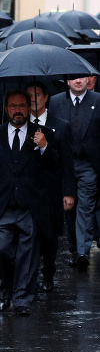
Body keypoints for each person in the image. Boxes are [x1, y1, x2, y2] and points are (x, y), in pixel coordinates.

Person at [0, 91, 59, 315]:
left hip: (31, 206)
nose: (17, 110)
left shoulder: (43, 134)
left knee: (28, 254)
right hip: (3, 205)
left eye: (21, 106)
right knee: (0, 250)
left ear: (28, 108)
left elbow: (55, 167)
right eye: (12, 106)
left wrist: (45, 147)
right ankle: (7, 287)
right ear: (6, 108)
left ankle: (22, 298)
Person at [48, 77, 100, 272]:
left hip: (88, 164)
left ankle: (82, 252)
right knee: (68, 207)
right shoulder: (56, 101)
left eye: (82, 77)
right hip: (63, 163)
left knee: (85, 207)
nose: (78, 81)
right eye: (73, 77)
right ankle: (73, 248)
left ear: (89, 79)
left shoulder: (98, 101)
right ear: (67, 81)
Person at [27, 82, 73, 292]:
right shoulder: (21, 125)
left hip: (51, 190)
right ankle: (32, 276)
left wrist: (69, 193)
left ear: (46, 97)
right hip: (29, 189)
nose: (33, 99)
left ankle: (48, 272)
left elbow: (67, 163)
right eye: (29, 95)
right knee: (31, 235)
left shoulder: (61, 125)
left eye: (37, 94)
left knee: (50, 235)